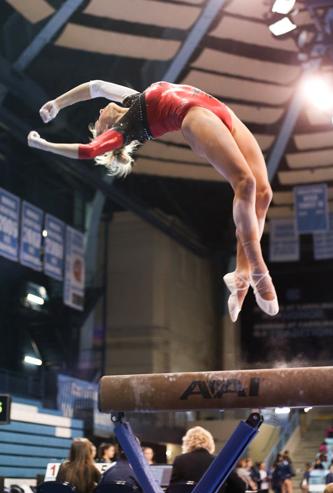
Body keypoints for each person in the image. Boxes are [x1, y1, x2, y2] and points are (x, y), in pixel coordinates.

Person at [27, 80, 279, 323]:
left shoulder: (134, 99)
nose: (101, 110)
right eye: (98, 121)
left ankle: (242, 274)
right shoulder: (127, 127)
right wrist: (46, 145)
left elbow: (96, 87)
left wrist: (57, 103)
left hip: (220, 111)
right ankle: (258, 272)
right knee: (245, 183)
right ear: (106, 130)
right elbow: (90, 151)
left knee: (263, 193)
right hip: (195, 117)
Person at [171, 426, 246, 493]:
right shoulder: (220, 461)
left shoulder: (180, 460)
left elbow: (173, 490)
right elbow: (240, 486)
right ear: (210, 442)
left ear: (186, 443)